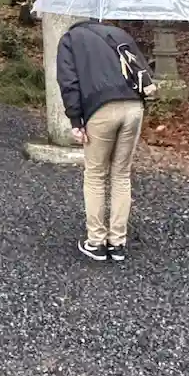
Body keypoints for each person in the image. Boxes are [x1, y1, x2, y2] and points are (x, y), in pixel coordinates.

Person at [56, 20, 154, 264]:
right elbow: (142, 69)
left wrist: (76, 120)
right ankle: (117, 243)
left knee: (96, 174)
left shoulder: (71, 39)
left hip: (100, 107)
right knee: (121, 174)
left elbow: (69, 83)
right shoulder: (118, 34)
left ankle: (96, 242)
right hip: (134, 106)